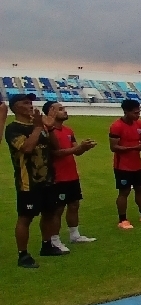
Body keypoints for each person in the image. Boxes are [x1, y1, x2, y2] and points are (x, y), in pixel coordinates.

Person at [5, 94, 64, 266]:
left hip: (47, 179)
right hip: (28, 181)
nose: (30, 105)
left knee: (49, 213)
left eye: (31, 102)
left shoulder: (40, 125)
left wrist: (50, 128)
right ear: (15, 107)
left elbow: (56, 147)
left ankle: (46, 245)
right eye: (25, 103)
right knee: (26, 217)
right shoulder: (14, 128)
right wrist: (38, 128)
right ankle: (23, 255)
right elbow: (27, 148)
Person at [44, 101, 97, 249]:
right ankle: (54, 240)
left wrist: (84, 147)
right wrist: (77, 148)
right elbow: (54, 153)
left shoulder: (68, 130)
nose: (65, 111)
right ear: (51, 111)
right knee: (58, 209)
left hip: (71, 175)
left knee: (74, 205)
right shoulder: (47, 131)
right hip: (56, 176)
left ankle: (75, 235)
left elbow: (76, 151)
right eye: (61, 109)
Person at [109, 99, 141, 229]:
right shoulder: (116, 126)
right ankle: (122, 220)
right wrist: (135, 148)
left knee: (140, 190)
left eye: (139, 112)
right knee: (124, 192)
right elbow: (114, 147)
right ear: (126, 111)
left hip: (137, 165)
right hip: (122, 166)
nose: (138, 115)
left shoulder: (140, 124)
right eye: (135, 113)